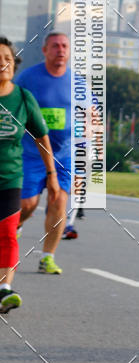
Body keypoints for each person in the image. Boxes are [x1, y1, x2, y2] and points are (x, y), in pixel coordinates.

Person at [0, 38, 59, 312]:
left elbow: (42, 138)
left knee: (8, 234)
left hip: (11, 178)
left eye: (7, 58)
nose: (3, 63)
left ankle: (4, 290)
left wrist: (52, 175)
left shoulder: (23, 98)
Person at [16, 32, 72, 274]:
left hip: (65, 155)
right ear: (45, 50)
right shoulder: (28, 78)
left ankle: (47, 257)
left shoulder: (78, 83)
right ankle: (12, 227)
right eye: (55, 46)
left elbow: (90, 118)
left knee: (59, 200)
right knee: (27, 204)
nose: (60, 50)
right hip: (31, 154)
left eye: (64, 46)